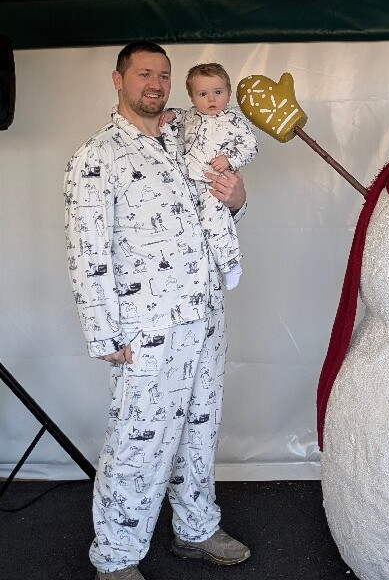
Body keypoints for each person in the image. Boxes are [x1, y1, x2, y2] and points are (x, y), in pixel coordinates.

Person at [64, 42, 251, 580]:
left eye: (164, 75)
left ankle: (195, 529)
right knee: (137, 442)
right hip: (145, 327)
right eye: (144, 73)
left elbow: (220, 214)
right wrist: (103, 333)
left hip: (205, 313)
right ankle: (118, 557)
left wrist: (237, 198)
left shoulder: (186, 137)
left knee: (200, 428)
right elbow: (87, 250)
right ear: (117, 79)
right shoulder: (95, 158)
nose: (156, 83)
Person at [162, 63, 258, 290]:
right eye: (203, 94)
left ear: (229, 93)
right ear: (192, 97)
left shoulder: (233, 121)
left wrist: (230, 159)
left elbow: (251, 146)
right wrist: (171, 114)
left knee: (216, 223)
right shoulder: (191, 116)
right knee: (192, 225)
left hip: (215, 183)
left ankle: (230, 263)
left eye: (218, 92)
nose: (211, 99)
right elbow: (181, 115)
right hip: (189, 181)